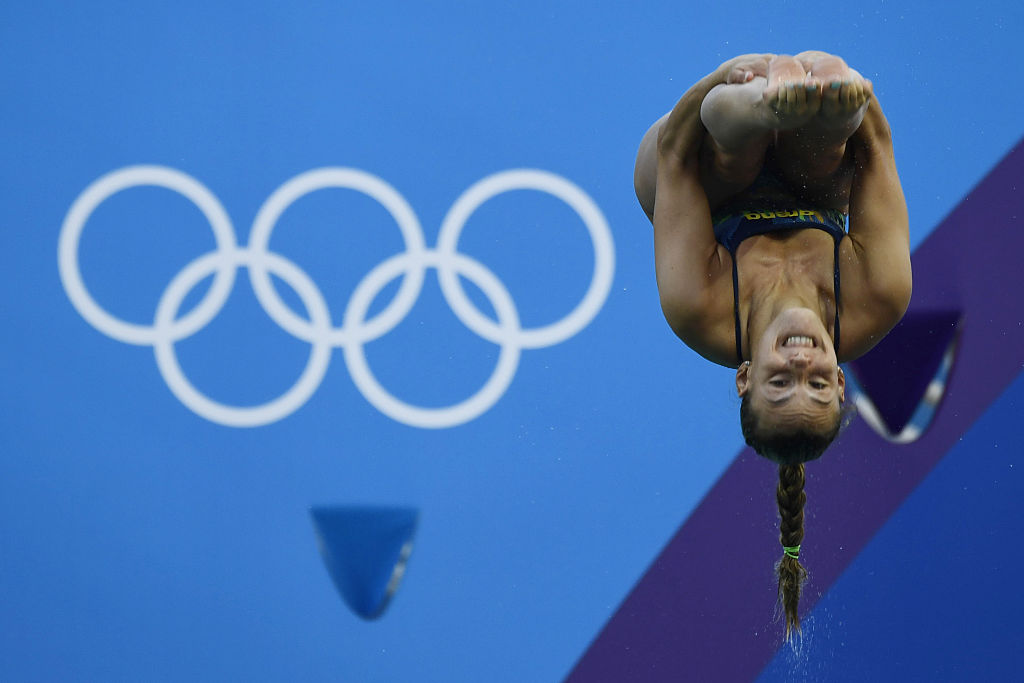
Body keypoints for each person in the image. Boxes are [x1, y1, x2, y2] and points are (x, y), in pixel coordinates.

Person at [633, 51, 911, 637]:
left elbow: (675, 153)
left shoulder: (700, 310)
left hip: (699, 182)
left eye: (779, 380)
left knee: (727, 155)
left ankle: (757, 105)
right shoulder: (878, 297)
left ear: (744, 375)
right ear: (839, 379)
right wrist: (846, 96)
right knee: (830, 152)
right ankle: (805, 106)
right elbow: (878, 148)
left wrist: (723, 78)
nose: (799, 360)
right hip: (814, 188)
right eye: (815, 380)